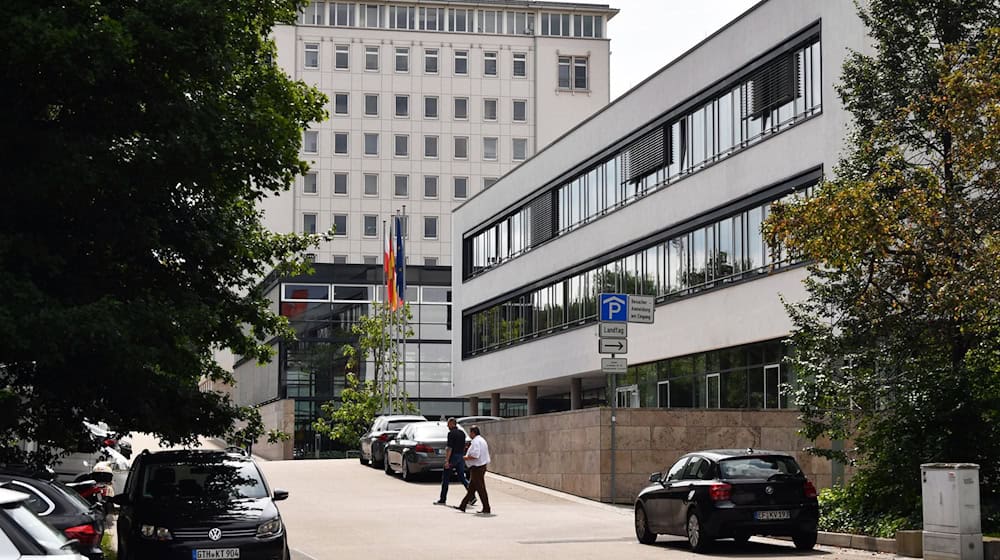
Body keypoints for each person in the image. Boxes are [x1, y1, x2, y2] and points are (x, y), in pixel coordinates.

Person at [434, 418, 475, 506]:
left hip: (453, 457)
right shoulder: (462, 433)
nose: (447, 426)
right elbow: (463, 446)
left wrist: (447, 461)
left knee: (445, 478)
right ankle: (472, 496)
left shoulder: (451, 434)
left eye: (448, 424)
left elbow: (449, 448)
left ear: (452, 424)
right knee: (462, 477)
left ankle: (442, 499)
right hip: (460, 457)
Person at [455, 425, 491, 514]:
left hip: (477, 468)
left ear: (473, 433)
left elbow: (475, 455)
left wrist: (465, 458)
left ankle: (486, 508)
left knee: (480, 488)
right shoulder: (481, 440)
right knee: (471, 488)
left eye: (470, 432)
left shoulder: (476, 442)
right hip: (480, 466)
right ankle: (462, 505)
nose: (470, 435)